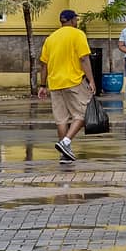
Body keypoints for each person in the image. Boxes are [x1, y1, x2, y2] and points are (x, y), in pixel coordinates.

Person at [39, 9, 97, 162]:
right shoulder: (78, 34)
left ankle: (65, 154)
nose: (77, 22)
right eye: (76, 20)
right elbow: (84, 59)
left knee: (61, 119)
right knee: (84, 113)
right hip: (74, 81)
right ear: (71, 20)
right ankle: (65, 142)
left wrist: (42, 85)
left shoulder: (50, 38)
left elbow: (43, 64)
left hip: (55, 82)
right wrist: (91, 80)